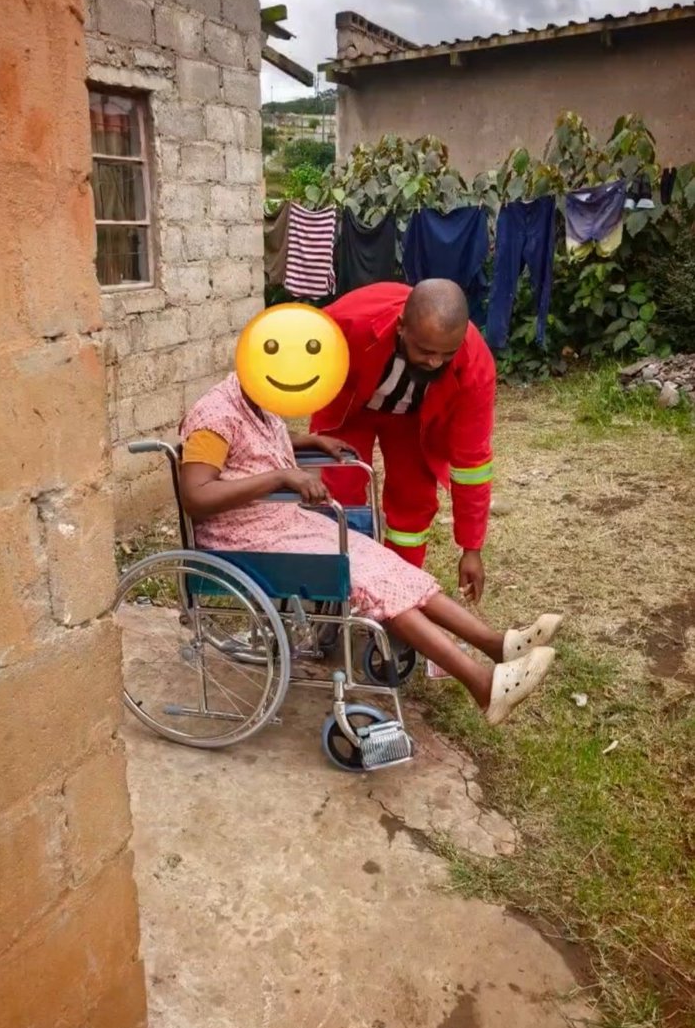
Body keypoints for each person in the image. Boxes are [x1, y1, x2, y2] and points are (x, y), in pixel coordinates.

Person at [179, 371, 563, 726]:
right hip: (247, 538)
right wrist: (281, 476)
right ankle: (483, 686)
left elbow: (251, 450)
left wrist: (306, 443)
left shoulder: (253, 399)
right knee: (370, 583)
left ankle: (498, 645)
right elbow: (196, 496)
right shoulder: (214, 414)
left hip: (281, 523)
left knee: (386, 565)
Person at [310, 279, 495, 602]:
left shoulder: (475, 366)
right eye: (425, 350)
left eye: (446, 354)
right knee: (342, 493)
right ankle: (340, 591)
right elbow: (294, 358)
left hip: (415, 421)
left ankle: (399, 593)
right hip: (351, 408)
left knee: (413, 502)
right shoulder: (346, 324)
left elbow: (472, 464)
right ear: (401, 328)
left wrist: (471, 548)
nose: (436, 362)